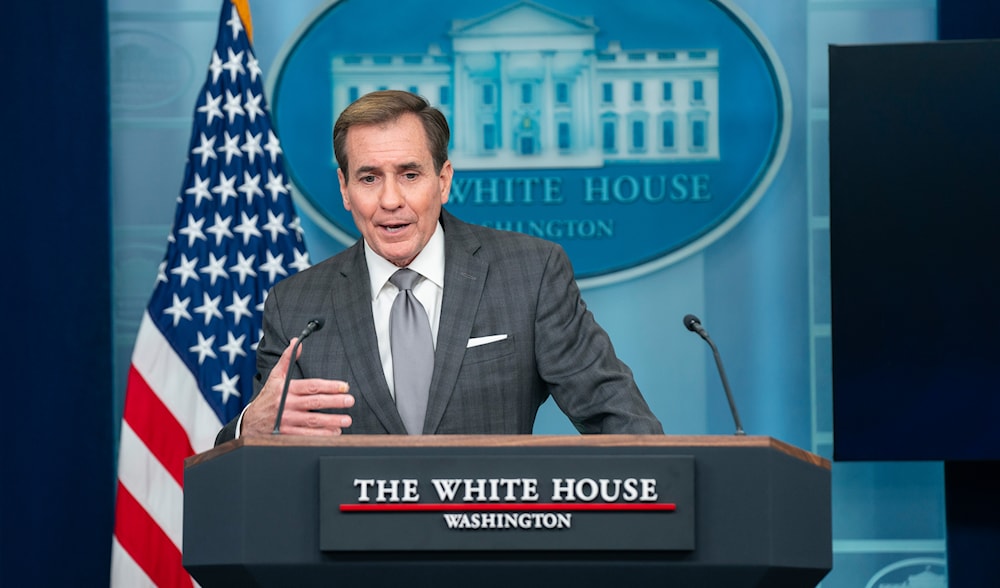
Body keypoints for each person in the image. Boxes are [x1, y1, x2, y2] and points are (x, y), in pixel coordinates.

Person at [215, 90, 662, 443]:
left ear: (443, 181)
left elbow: (617, 417)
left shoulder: (530, 274)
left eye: (410, 175)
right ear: (345, 189)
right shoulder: (295, 305)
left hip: (492, 529)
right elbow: (258, 445)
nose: (390, 200)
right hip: (350, 531)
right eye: (369, 178)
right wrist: (248, 428)